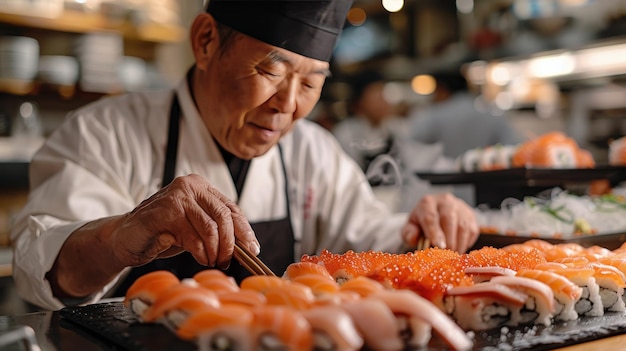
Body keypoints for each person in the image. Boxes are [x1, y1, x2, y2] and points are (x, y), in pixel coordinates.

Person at [10, 0, 479, 311]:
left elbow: (369, 239)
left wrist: (421, 230)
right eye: (271, 71)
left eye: (312, 83)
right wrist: (120, 236)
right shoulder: (105, 133)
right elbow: (39, 270)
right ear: (206, 42)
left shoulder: (313, 152)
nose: (289, 104)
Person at [409, 69, 523, 159]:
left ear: (441, 90)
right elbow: (513, 146)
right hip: (486, 181)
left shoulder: (433, 116)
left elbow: (413, 145)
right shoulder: (490, 113)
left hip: (445, 183)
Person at [332, 70, 408, 175]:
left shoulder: (395, 127)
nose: (383, 101)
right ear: (360, 101)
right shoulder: (346, 132)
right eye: (376, 96)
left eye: (383, 95)